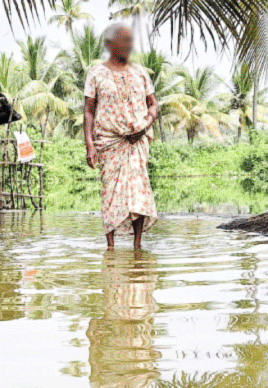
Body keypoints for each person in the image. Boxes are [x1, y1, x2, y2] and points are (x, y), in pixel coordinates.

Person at [84, 23, 160, 251]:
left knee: (137, 191)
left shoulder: (140, 72)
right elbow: (89, 110)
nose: (128, 45)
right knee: (110, 192)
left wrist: (144, 126)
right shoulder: (96, 73)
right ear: (109, 44)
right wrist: (89, 145)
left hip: (138, 141)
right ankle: (111, 247)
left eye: (130, 41)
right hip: (108, 141)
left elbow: (153, 105)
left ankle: (137, 245)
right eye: (123, 41)